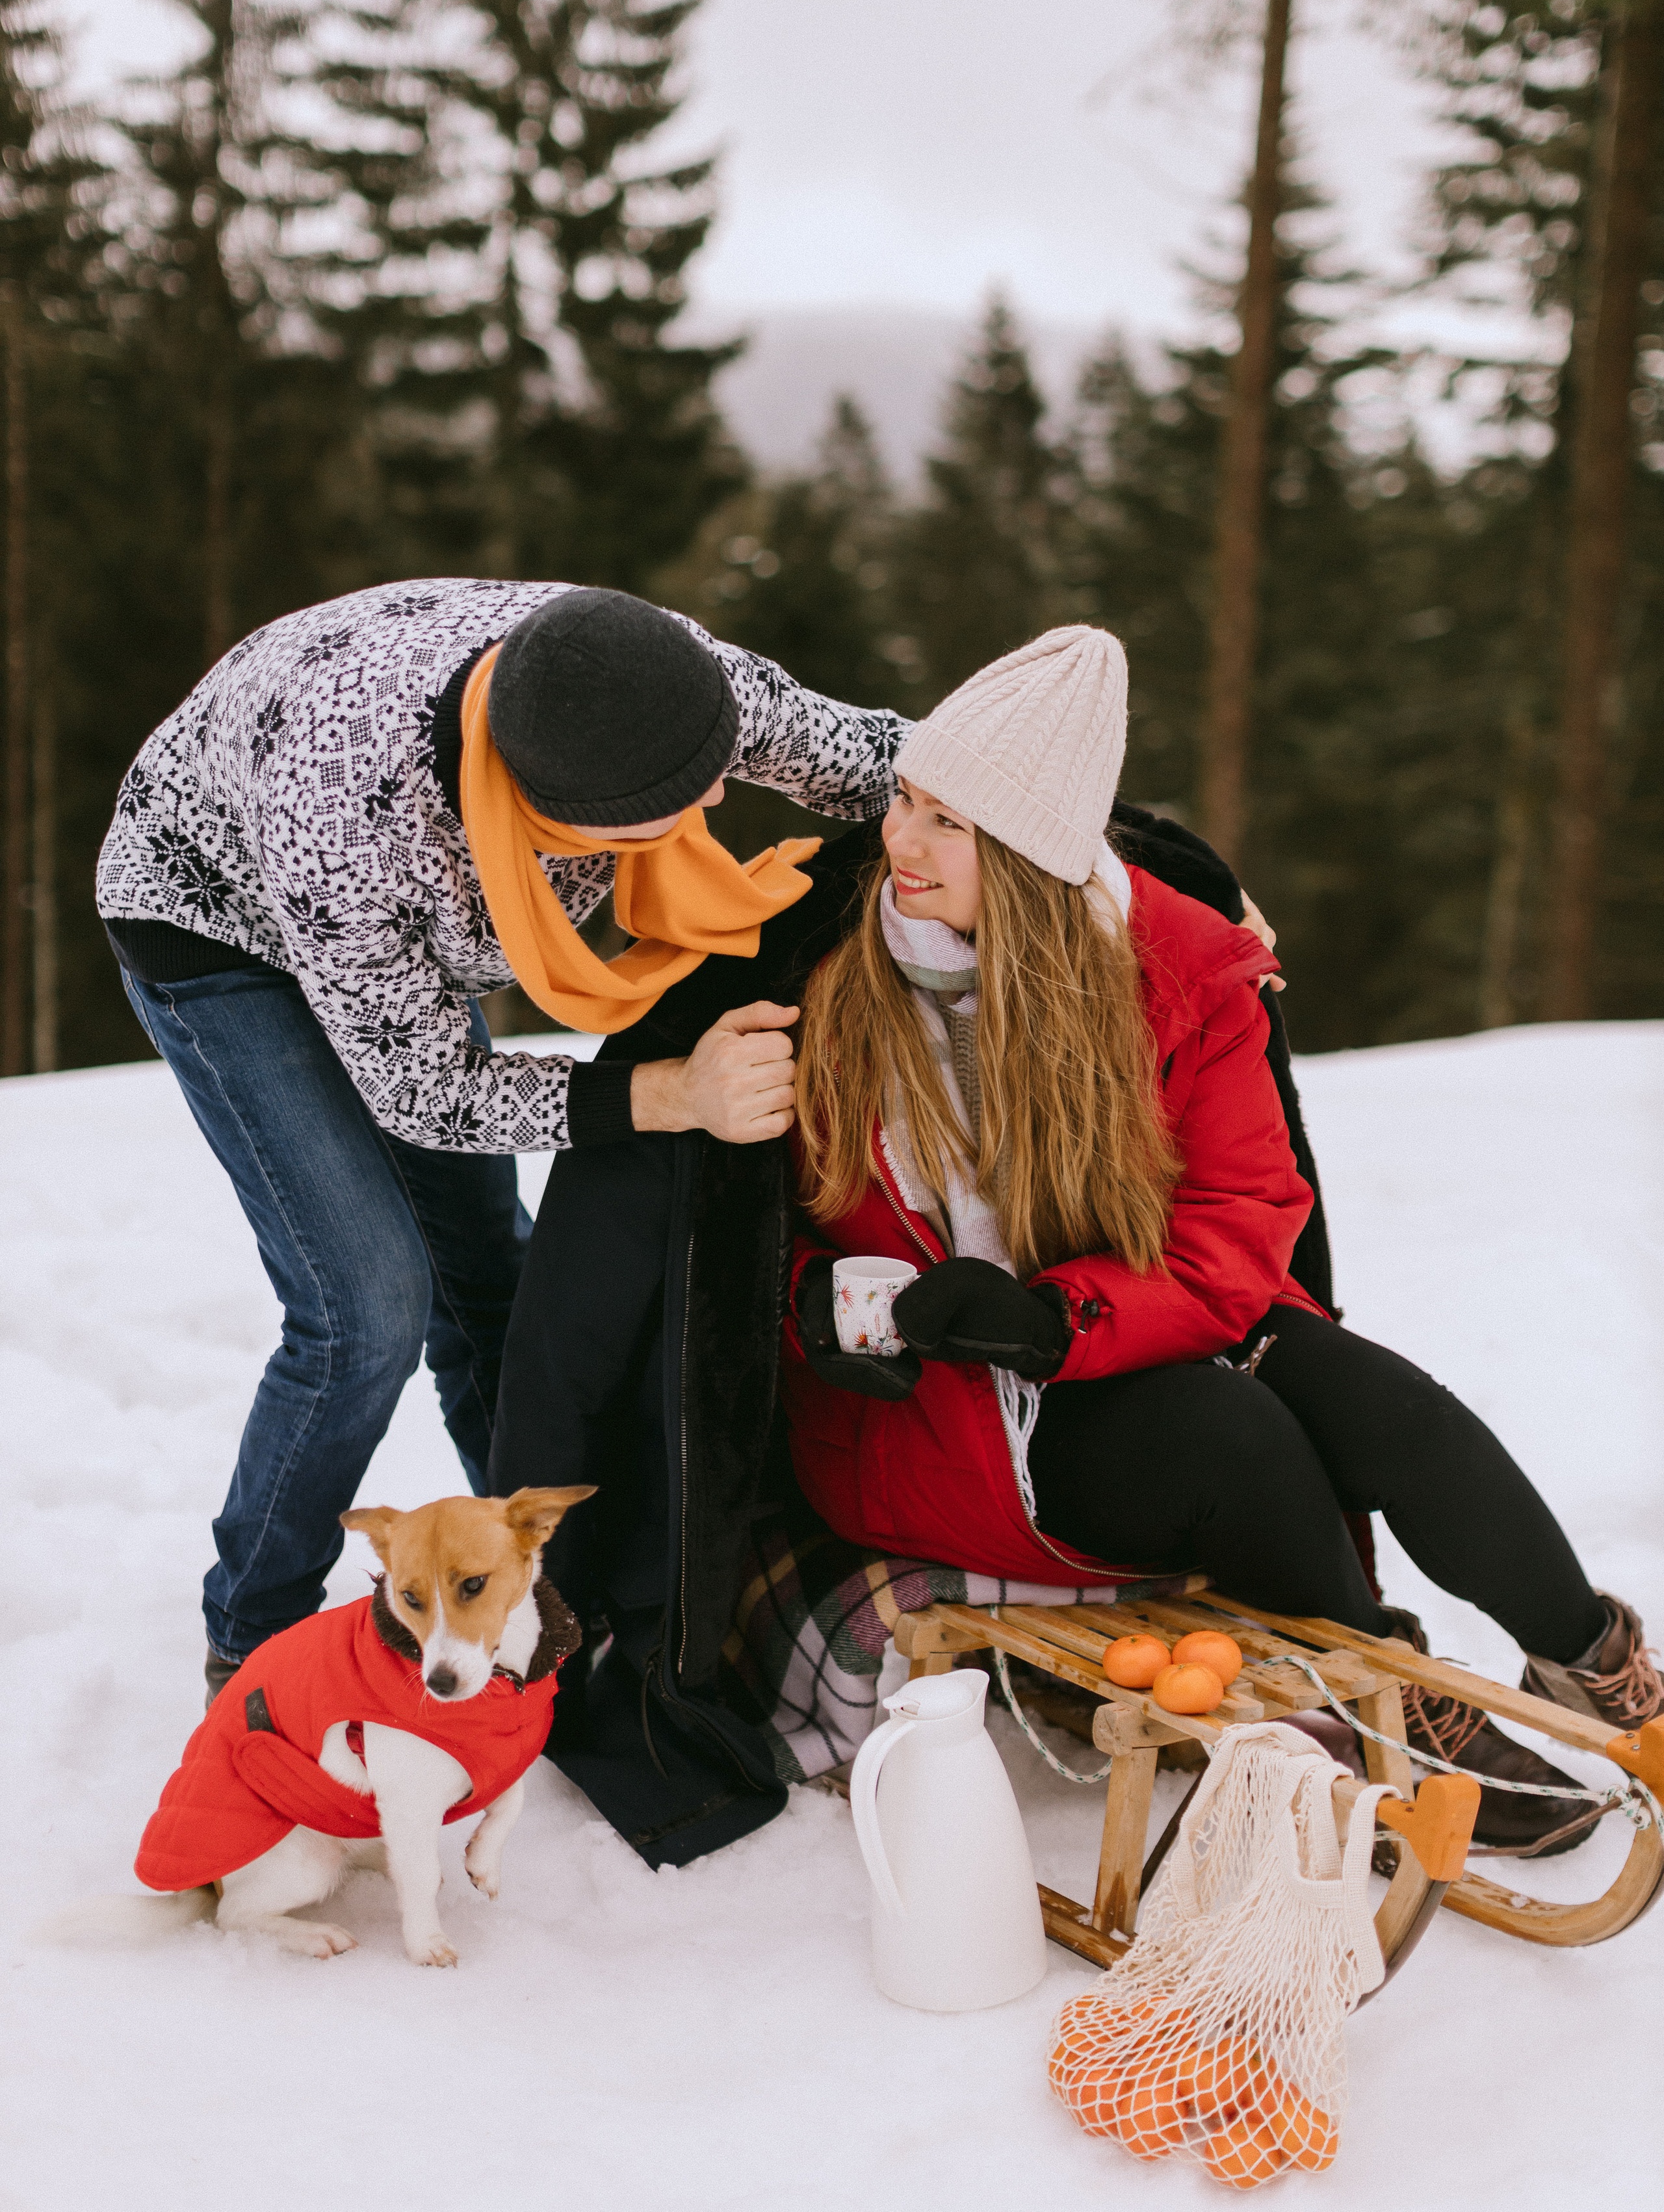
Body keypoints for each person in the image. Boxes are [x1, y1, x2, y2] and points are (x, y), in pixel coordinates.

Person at [781, 625, 1662, 1855]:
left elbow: (1240, 1231)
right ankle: (1389, 1706)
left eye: (951, 823)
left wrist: (1058, 1319)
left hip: (1103, 1333)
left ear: (1036, 856)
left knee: (1386, 1408)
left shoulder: (1176, 973)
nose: (903, 845)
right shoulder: (827, 989)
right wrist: (842, 1308)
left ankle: (1604, 1670)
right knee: (1231, 1434)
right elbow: (749, 1256)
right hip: (942, 1418)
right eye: (908, 803)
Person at [98, 580, 903, 1694]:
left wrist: (1127, 866)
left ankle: (540, 1592)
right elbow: (428, 1093)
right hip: (216, 921)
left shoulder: (658, 682)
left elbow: (886, 764)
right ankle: (252, 1637)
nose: (721, 791)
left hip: (390, 918)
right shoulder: (356, 825)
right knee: (364, 1311)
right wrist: (670, 1092)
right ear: (551, 814)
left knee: (492, 1274)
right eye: (671, 806)